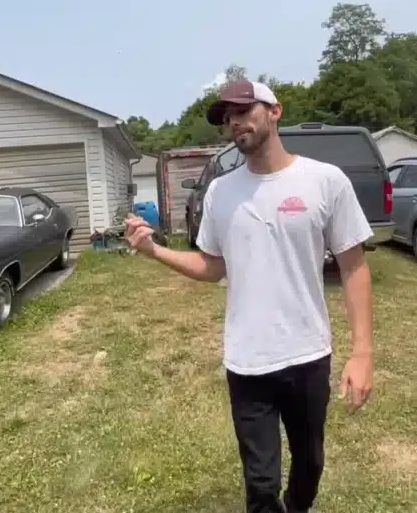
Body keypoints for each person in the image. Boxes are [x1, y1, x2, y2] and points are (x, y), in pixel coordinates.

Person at [124, 80, 375, 512]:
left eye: (244, 110)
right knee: (260, 484)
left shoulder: (324, 181)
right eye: (227, 116)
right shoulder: (221, 192)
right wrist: (153, 250)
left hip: (308, 355)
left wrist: (362, 353)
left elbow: (354, 267)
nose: (235, 121)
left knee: (310, 462)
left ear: (275, 111)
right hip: (247, 362)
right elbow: (212, 265)